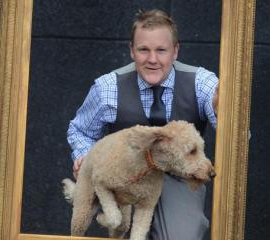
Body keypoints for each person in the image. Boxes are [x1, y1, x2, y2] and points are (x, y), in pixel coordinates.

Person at [67, 9, 218, 240]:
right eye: (143, 50)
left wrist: (223, 108)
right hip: (125, 178)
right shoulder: (108, 87)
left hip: (178, 180)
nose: (152, 59)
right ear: (131, 51)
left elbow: (236, 135)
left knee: (181, 235)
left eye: (161, 50)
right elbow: (80, 130)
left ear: (175, 51)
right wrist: (86, 157)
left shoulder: (202, 83)